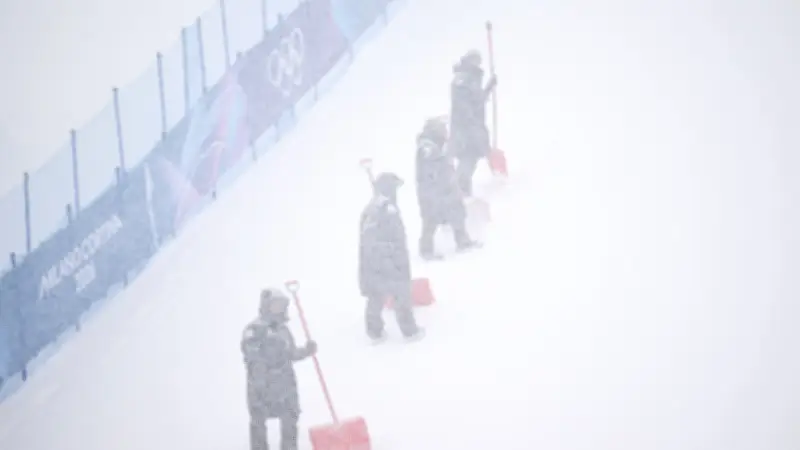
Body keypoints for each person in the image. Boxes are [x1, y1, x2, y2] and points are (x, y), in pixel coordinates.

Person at [241, 288, 317, 450]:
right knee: (258, 424)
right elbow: (253, 358)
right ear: (266, 305)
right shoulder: (254, 330)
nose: (278, 309)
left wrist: (306, 351)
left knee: (290, 419)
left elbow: (290, 354)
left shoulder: (283, 329)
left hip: (285, 386)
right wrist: (261, 382)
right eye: (275, 305)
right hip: (263, 387)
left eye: (281, 305)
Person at [358, 172, 425, 343]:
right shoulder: (382, 210)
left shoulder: (377, 207)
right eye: (394, 188)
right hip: (385, 263)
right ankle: (409, 331)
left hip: (377, 264)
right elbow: (373, 241)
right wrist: (390, 259)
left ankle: (375, 332)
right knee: (400, 294)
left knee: (376, 295)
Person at [415, 116, 478, 260]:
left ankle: (463, 241)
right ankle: (426, 250)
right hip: (432, 193)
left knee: (457, 214)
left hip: (447, 190)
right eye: (443, 129)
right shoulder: (427, 148)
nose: (446, 132)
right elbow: (430, 171)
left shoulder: (439, 145)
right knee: (430, 221)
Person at [449, 49, 497, 197]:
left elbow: (477, 99)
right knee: (467, 158)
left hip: (471, 127)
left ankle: (464, 191)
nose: (478, 65)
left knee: (472, 158)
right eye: (476, 61)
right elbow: (468, 104)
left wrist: (488, 88)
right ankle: (459, 191)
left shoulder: (470, 79)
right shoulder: (463, 80)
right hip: (466, 130)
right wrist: (471, 124)